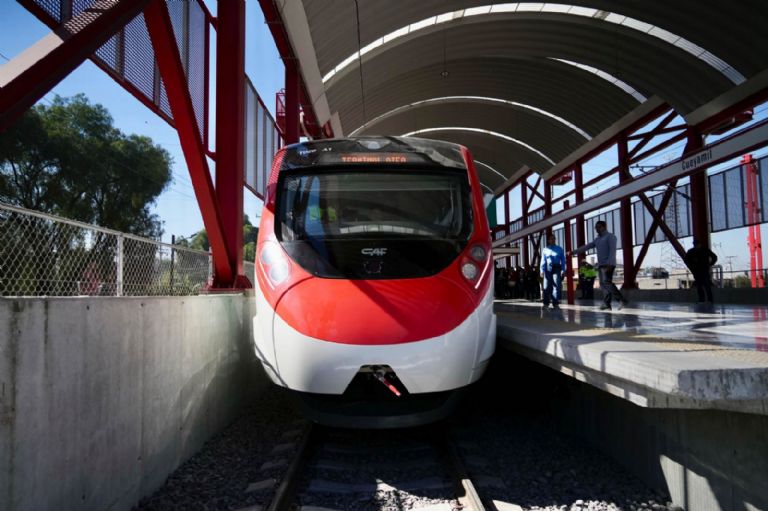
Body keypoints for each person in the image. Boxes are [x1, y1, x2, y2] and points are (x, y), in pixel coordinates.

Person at [571, 221, 627, 310]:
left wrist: (610, 263)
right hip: (601, 265)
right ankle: (607, 304)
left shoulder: (610, 236)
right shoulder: (597, 239)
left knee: (607, 283)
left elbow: (612, 251)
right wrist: (573, 252)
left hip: (608, 264)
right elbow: (587, 247)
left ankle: (622, 300)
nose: (597, 229)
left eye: (599, 227)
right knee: (603, 284)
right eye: (596, 227)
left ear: (604, 227)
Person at [684, 239, 718, 303]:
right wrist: (710, 264)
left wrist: (691, 265)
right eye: (695, 245)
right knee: (702, 286)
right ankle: (705, 300)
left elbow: (714, 257)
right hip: (701, 270)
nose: (696, 246)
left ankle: (706, 300)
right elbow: (714, 257)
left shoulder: (693, 251)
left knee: (704, 285)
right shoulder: (703, 250)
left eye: (696, 245)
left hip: (700, 270)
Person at [540, 234, 565, 309]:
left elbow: (563, 260)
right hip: (547, 269)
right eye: (551, 239)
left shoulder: (559, 249)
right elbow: (543, 260)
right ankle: (546, 303)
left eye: (554, 238)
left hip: (557, 268)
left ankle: (555, 303)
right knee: (546, 286)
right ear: (548, 240)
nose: (553, 240)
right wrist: (541, 270)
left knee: (556, 285)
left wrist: (563, 270)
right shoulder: (545, 249)